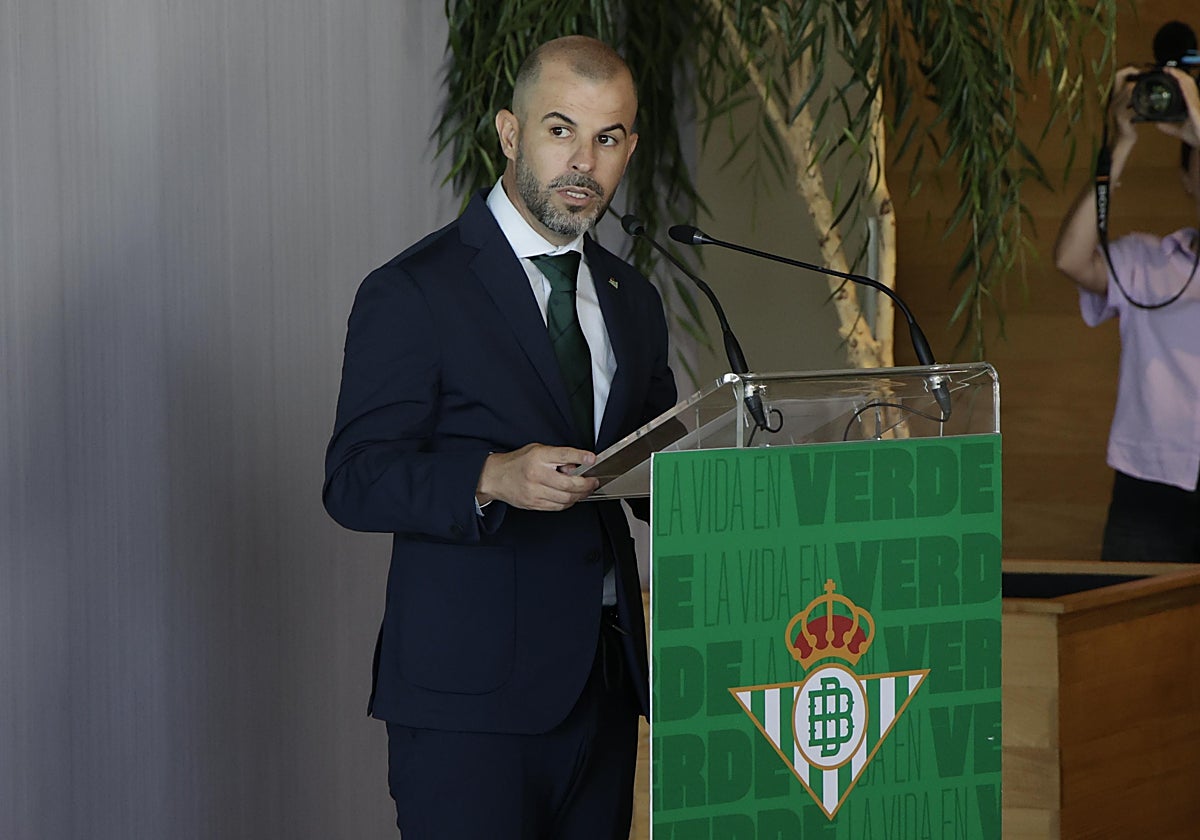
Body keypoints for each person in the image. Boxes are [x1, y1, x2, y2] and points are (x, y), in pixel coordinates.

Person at [323, 35, 677, 838]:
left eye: (609, 138)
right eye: (561, 131)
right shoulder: (414, 291)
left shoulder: (633, 298)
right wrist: (489, 477)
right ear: (510, 133)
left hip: (604, 689)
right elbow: (353, 477)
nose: (585, 161)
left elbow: (657, 465)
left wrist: (722, 470)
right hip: (467, 706)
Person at [1054, 23, 1200, 563]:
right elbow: (1071, 259)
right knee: (1130, 637)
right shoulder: (1147, 260)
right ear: (1186, 179)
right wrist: (1119, 145)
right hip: (1150, 485)